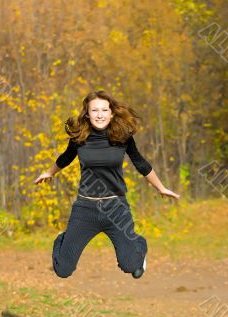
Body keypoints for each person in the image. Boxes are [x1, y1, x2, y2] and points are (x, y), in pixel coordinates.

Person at [34, 90, 180, 279]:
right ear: (87, 113)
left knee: (132, 267)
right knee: (63, 270)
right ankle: (63, 239)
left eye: (104, 110)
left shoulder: (122, 138)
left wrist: (161, 188)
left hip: (116, 209)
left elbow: (141, 163)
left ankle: (139, 243)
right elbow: (65, 158)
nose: (100, 115)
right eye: (95, 110)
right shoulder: (79, 138)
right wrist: (49, 172)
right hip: (85, 210)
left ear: (112, 113)